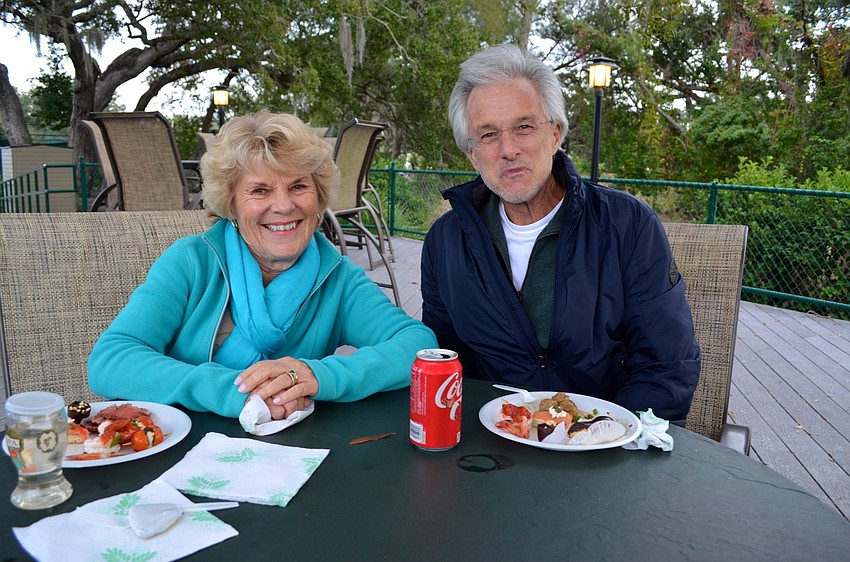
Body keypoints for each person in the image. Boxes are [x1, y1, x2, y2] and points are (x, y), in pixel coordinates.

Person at [89, 111, 437, 419]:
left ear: (318, 198)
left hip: (290, 455)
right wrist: (237, 392)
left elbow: (418, 346)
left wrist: (318, 376)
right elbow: (111, 360)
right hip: (179, 447)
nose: (284, 206)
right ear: (231, 205)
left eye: (298, 186)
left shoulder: (338, 280)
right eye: (259, 191)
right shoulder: (191, 262)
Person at [421, 44, 700, 426]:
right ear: (472, 154)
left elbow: (665, 366)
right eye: (487, 135)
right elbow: (445, 359)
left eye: (524, 127)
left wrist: (600, 439)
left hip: (605, 446)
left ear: (555, 134)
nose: (508, 149)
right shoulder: (445, 242)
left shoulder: (628, 226)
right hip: (491, 448)